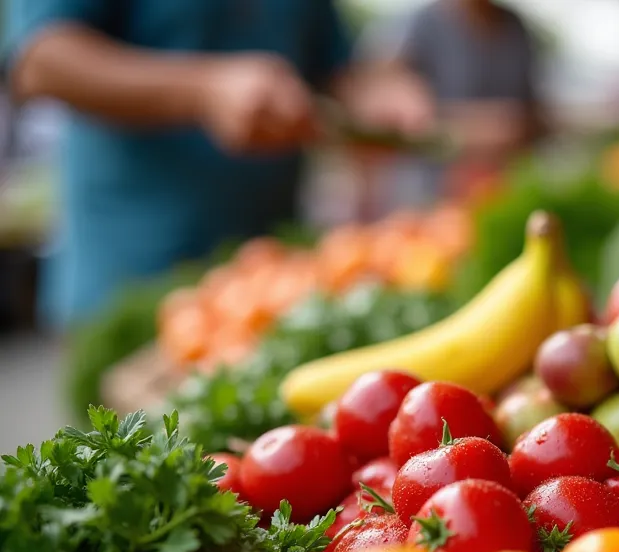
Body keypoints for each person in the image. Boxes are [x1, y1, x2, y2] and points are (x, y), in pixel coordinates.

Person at [2, 1, 436, 327]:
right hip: (128, 283)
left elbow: (335, 69)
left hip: (272, 288)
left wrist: (377, 95)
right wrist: (204, 89)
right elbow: (40, 60)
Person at [360, 0, 544, 211]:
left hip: (500, 194)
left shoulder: (517, 29)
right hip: (428, 197)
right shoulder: (417, 26)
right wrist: (485, 128)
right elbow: (395, 107)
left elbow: (531, 114)